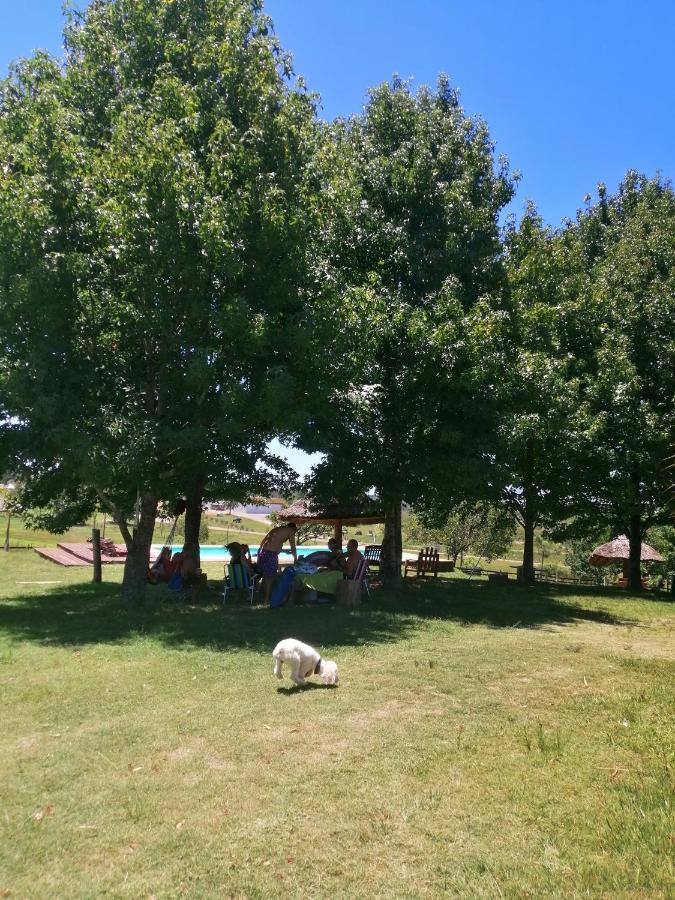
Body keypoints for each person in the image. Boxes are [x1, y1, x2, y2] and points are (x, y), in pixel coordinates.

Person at [257, 523, 298, 606]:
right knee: (270, 579)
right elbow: (293, 546)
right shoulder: (291, 530)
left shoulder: (277, 529)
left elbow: (266, 539)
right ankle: (266, 601)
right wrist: (295, 559)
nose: (294, 533)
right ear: (293, 528)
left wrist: (259, 551)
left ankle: (264, 597)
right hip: (271, 555)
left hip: (264, 552)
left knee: (265, 577)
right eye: (295, 532)